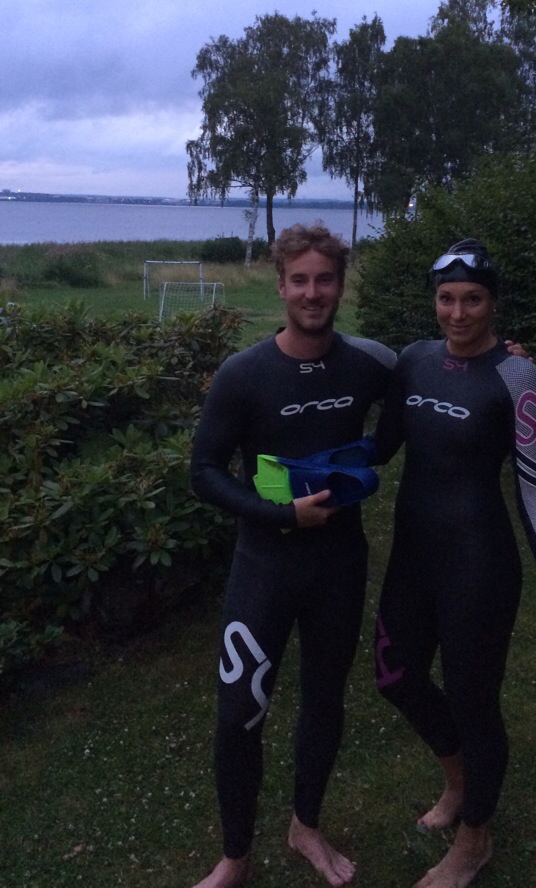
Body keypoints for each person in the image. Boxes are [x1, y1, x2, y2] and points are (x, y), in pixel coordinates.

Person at [188, 223, 397, 888]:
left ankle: (305, 825)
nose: (312, 293)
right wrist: (283, 515)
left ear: (340, 285)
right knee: (237, 715)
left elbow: (426, 389)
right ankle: (235, 856)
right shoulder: (244, 374)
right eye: (299, 280)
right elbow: (203, 472)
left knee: (324, 702)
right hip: (265, 568)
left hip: (338, 567)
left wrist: (497, 355)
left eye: (324, 279)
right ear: (280, 286)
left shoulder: (368, 365)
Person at [373, 239, 536, 888]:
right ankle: (459, 780)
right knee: (395, 677)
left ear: (493, 303)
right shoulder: (414, 361)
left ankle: (474, 841)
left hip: (478, 565)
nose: (457, 313)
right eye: (446, 298)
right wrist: (296, 472)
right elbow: (379, 449)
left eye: (472, 299)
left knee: (474, 703)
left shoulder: (517, 377)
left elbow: (534, 488)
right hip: (412, 558)